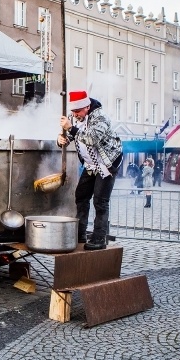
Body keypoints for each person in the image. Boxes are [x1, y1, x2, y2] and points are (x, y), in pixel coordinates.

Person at [56, 90, 123, 250]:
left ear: (87, 107)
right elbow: (70, 137)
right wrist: (60, 140)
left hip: (107, 162)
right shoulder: (75, 118)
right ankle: (80, 233)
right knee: (81, 196)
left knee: (100, 201)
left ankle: (99, 238)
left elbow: (91, 139)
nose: (74, 114)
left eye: (77, 111)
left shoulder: (101, 118)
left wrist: (71, 128)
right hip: (90, 164)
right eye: (73, 111)